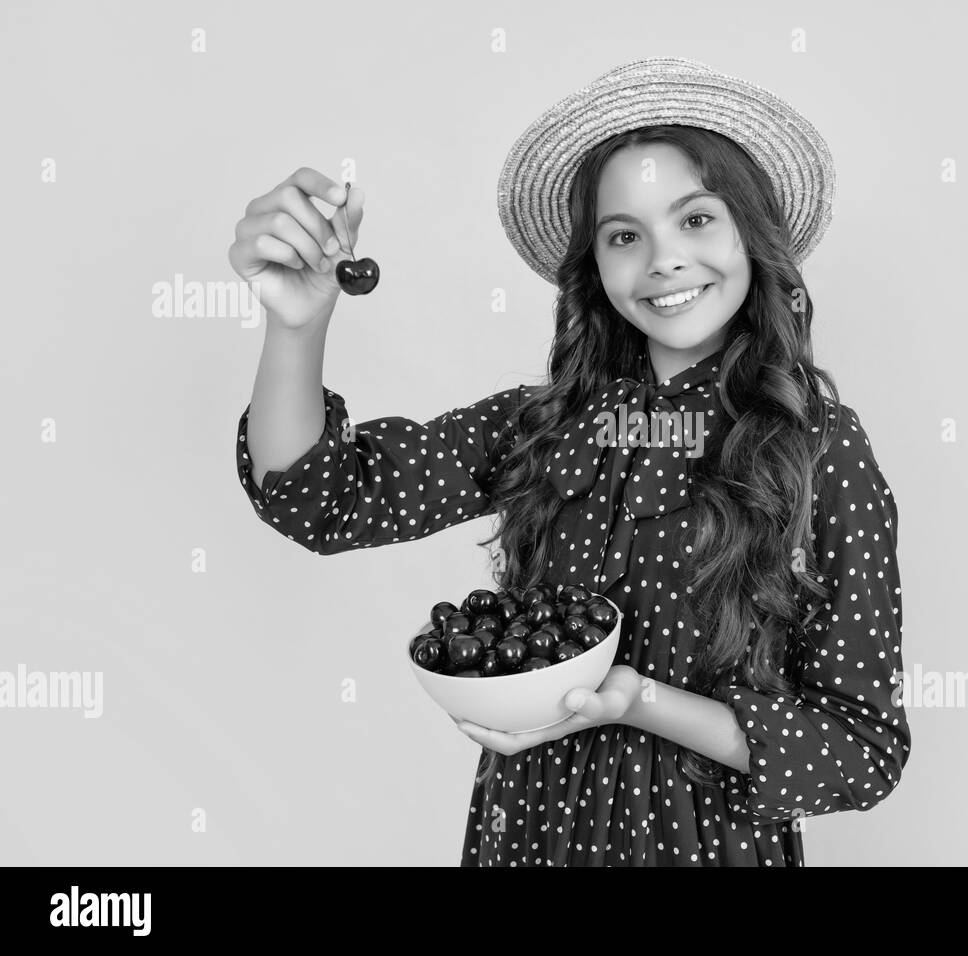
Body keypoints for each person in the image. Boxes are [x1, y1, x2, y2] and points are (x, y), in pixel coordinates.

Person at [229, 56, 909, 867]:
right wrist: (297, 326)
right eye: (625, 235)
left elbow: (862, 748)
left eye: (696, 219)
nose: (662, 259)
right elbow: (319, 498)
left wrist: (638, 702)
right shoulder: (547, 424)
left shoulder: (819, 444)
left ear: (751, 234)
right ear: (596, 266)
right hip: (528, 838)